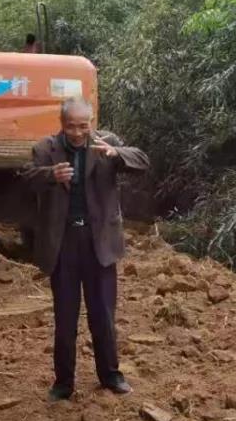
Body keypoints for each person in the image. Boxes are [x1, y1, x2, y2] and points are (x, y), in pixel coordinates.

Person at [25, 98, 150, 401]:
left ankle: (111, 375)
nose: (78, 133)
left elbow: (142, 161)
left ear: (91, 122)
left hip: (100, 243)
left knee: (103, 314)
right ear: (62, 124)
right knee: (65, 318)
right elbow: (24, 179)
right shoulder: (45, 149)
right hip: (63, 243)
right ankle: (63, 383)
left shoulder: (106, 143)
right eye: (71, 127)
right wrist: (50, 175)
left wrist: (116, 153)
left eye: (84, 126)